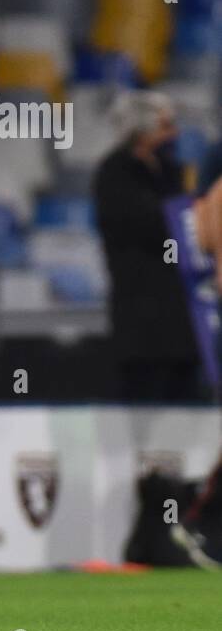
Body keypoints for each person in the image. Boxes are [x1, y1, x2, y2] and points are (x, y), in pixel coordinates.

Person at [94, 90, 202, 402]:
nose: (174, 134)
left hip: (181, 320)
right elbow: (158, 224)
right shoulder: (114, 174)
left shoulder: (170, 171)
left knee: (186, 408)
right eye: (166, 126)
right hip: (142, 321)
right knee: (146, 410)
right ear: (141, 132)